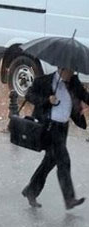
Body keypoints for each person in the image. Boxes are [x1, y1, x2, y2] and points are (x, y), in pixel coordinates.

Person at [21, 67, 89, 210]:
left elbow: (85, 96)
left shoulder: (74, 82)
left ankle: (31, 191)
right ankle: (69, 199)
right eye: (69, 71)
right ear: (61, 68)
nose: (71, 74)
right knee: (64, 160)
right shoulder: (44, 81)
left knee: (50, 160)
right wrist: (47, 100)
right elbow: (29, 95)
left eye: (73, 71)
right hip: (49, 127)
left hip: (63, 128)